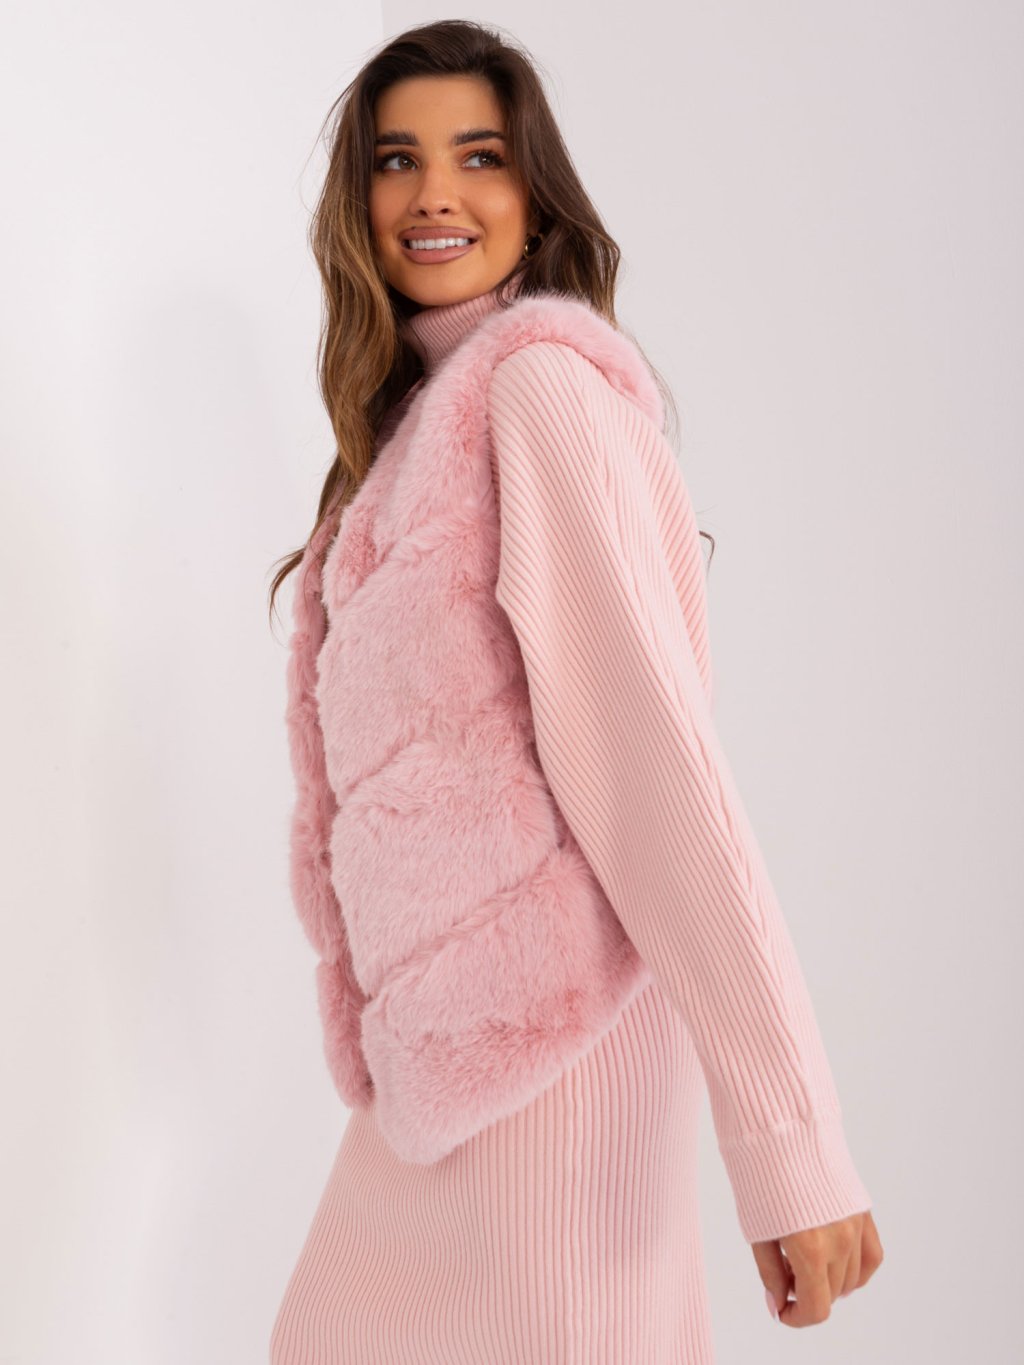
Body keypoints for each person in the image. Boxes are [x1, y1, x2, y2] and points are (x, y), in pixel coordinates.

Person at [268, 19, 883, 1363]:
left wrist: (792, 1142)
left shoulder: (540, 396)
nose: (435, 192)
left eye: (479, 155)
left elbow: (661, 776)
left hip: (559, 1067)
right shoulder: (403, 448)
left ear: (536, 193)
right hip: (437, 1085)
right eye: (396, 159)